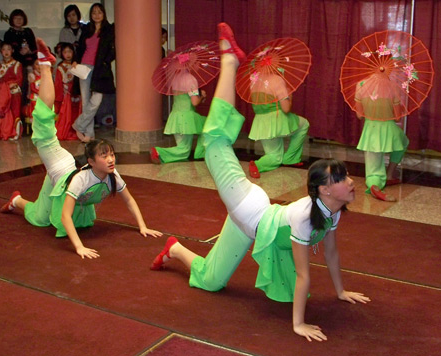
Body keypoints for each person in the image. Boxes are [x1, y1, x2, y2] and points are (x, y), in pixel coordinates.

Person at [151, 22, 370, 342]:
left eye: (347, 177)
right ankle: (228, 59)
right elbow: (304, 276)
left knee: (211, 281)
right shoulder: (305, 218)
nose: (351, 183)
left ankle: (175, 250)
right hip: (246, 204)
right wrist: (297, 324)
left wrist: (341, 291)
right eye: (343, 179)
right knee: (214, 141)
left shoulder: (332, 211)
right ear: (324, 189)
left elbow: (332, 255)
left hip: (249, 222)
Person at [0, 38, 162, 259]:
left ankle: (16, 201)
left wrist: (142, 227)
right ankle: (46, 65)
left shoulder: (112, 175)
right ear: (91, 163)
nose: (111, 160)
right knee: (43, 131)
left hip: (61, 176)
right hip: (60, 166)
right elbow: (66, 216)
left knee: (40, 219)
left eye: (112, 154)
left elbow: (130, 200)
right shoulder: (81, 179)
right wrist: (79, 247)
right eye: (105, 156)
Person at [355, 69, 408, 202]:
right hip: (390, 129)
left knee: (374, 167)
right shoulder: (392, 86)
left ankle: (374, 184)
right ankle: (389, 174)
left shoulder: (360, 84)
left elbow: (359, 115)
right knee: (403, 141)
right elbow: (397, 118)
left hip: (370, 129)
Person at [248, 73, 310, 178]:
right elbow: (286, 109)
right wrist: (289, 96)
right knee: (304, 124)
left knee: (275, 157)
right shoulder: (277, 80)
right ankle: (291, 158)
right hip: (279, 121)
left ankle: (257, 165)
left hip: (262, 123)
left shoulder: (254, 80)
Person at [72, 3, 115, 143]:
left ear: (104, 14)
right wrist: (75, 61)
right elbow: (80, 48)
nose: (97, 15)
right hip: (84, 67)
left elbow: (113, 49)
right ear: (90, 15)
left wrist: (105, 62)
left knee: (96, 101)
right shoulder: (86, 29)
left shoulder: (109, 29)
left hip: (100, 69)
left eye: (99, 12)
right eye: (94, 12)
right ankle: (89, 135)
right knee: (86, 101)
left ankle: (79, 125)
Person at [150, 71, 207, 164]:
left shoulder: (174, 79)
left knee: (183, 147)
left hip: (176, 116)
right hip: (187, 118)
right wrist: (202, 96)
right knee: (207, 126)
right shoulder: (191, 79)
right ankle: (159, 151)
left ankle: (200, 153)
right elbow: (194, 102)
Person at [0, 41, 23, 140]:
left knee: (15, 112)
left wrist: (9, 86)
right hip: (2, 93)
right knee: (4, 113)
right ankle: (4, 133)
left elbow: (19, 79)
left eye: (9, 49)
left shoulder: (17, 64)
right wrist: (2, 89)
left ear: (12, 51)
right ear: (1, 51)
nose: (6, 52)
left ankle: (16, 133)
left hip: (13, 92)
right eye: (4, 49)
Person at [55, 43, 80, 140]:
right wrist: (59, 98)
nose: (68, 54)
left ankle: (77, 131)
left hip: (77, 93)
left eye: (70, 51)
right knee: (67, 115)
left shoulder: (77, 65)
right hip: (67, 95)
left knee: (76, 114)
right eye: (65, 52)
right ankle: (67, 132)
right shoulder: (60, 67)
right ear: (61, 54)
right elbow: (58, 84)